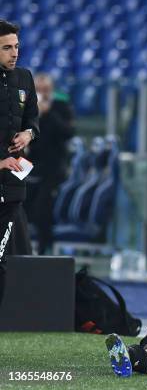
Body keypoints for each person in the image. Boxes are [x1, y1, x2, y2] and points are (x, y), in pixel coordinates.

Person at [0, 19, 39, 305]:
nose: (14, 53)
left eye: (16, 47)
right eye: (6, 48)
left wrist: (28, 134)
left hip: (11, 187)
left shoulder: (24, 78)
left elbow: (32, 120)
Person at [25, 73, 75, 255]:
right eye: (38, 90)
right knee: (17, 204)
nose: (42, 94)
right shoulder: (26, 108)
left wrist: (48, 113)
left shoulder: (60, 107)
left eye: (45, 90)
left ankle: (44, 250)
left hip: (53, 169)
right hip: (30, 167)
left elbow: (68, 132)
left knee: (42, 210)